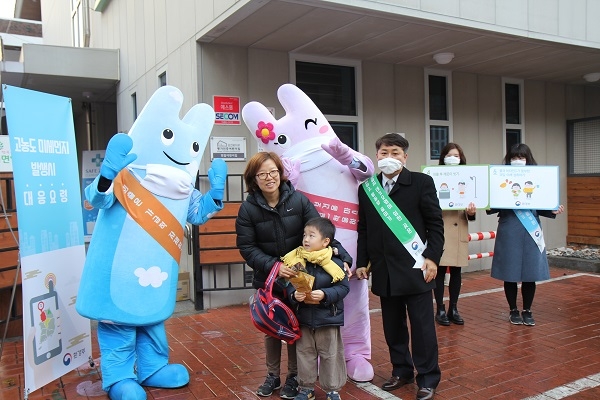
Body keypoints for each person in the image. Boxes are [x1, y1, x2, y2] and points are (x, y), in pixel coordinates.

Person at [236, 152, 352, 399]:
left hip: (298, 277)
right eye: (262, 174)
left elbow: (320, 232)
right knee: (271, 329)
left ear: (281, 173)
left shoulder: (298, 201)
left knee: (293, 328)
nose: (269, 178)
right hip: (269, 279)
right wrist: (274, 266)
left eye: (273, 172)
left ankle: (293, 377)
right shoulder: (248, 209)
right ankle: (272, 375)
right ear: (254, 179)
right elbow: (247, 247)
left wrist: (343, 256)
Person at [356, 133, 444, 400]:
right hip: (384, 270)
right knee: (393, 328)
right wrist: (362, 262)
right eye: (384, 152)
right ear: (376, 156)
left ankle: (427, 378)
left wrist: (432, 257)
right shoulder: (367, 188)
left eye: (395, 152)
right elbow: (364, 228)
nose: (389, 157)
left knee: (422, 328)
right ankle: (402, 370)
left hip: (416, 268)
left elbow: (435, 224)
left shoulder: (420, 182)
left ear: (405, 157)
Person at [487, 143, 564, 326]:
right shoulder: (499, 179)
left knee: (530, 271)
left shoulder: (537, 179)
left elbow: (542, 204)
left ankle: (527, 310)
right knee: (510, 271)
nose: (518, 161)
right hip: (509, 228)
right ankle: (513, 310)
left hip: (531, 230)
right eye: (514, 158)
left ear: (528, 159)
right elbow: (491, 207)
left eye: (521, 157)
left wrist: (553, 211)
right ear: (509, 160)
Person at [284, 217, 350, 400]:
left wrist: (325, 295)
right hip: (304, 318)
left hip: (328, 318)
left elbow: (344, 288)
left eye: (311, 236)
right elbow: (290, 285)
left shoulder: (335, 264)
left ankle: (332, 389)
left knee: (330, 354)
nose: (306, 239)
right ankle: (306, 388)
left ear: (326, 241)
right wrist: (293, 295)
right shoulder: (297, 261)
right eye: (305, 235)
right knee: (305, 354)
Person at [434, 143, 476, 326]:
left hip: (459, 226)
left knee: (457, 271)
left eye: (456, 156)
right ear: (443, 158)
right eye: (449, 155)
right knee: (440, 271)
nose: (453, 158)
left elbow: (475, 204)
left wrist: (472, 212)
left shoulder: (468, 178)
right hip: (440, 228)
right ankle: (440, 309)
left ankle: (454, 307)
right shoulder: (434, 176)